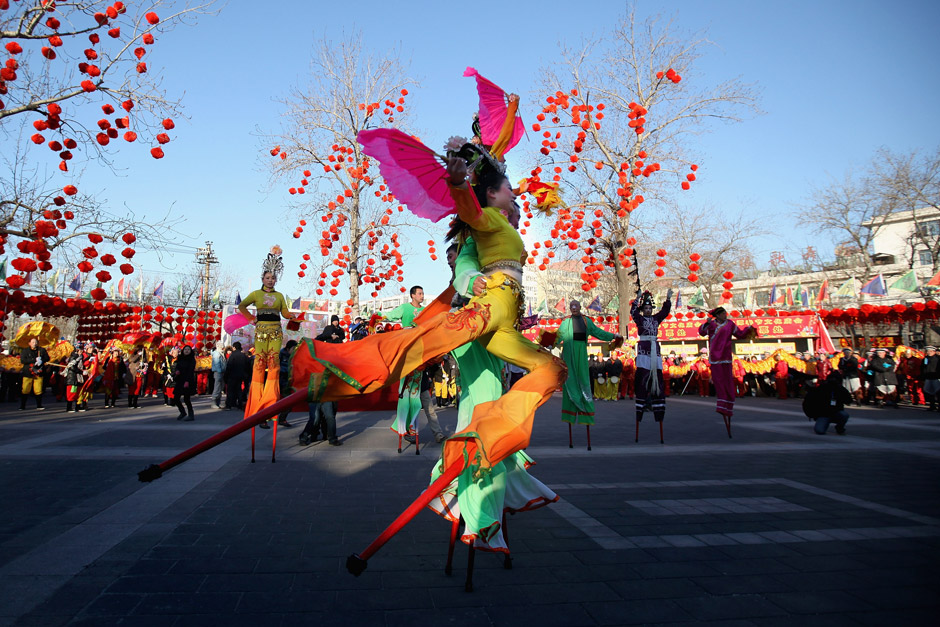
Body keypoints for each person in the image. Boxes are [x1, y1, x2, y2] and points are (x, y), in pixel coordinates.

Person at [236, 245, 301, 417]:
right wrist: (251, 318)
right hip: (261, 330)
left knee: (274, 363)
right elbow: (241, 305)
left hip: (276, 332)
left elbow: (284, 312)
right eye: (267, 277)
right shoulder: (256, 294)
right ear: (262, 279)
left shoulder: (279, 296)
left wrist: (292, 316)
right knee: (259, 363)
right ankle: (256, 401)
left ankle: (270, 400)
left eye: (273, 278)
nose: (270, 280)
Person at [554, 299, 622, 428]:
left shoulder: (586, 321)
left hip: (581, 353)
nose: (574, 308)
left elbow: (598, 332)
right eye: (571, 306)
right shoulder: (566, 322)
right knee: (570, 380)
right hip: (569, 354)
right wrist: (544, 341)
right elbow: (557, 336)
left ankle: (586, 412)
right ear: (569, 308)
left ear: (580, 307)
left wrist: (613, 335)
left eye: (576, 306)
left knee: (584, 381)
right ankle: (570, 413)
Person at [698, 307, 756, 419]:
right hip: (715, 357)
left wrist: (748, 329)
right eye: (723, 313)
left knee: (728, 380)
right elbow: (702, 332)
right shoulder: (712, 324)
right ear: (718, 315)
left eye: (725, 313)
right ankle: (721, 405)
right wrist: (706, 323)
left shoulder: (730, 324)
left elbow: (740, 334)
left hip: (726, 356)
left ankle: (729, 406)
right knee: (718, 381)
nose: (725, 315)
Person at [631, 289, 672, 425]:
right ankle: (642, 402)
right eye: (646, 308)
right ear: (643, 309)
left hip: (654, 347)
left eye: (650, 308)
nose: (648, 310)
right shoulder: (640, 319)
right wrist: (637, 298)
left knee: (657, 376)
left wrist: (668, 299)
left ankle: (657, 405)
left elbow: (664, 312)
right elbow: (633, 312)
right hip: (644, 348)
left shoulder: (656, 319)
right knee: (643, 375)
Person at [19, 337, 49, 410]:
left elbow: (47, 358)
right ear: (29, 343)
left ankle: (39, 405)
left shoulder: (41, 350)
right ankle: (23, 405)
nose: (34, 344)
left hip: (39, 372)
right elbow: (23, 360)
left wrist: (41, 360)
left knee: (38, 389)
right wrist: (33, 360)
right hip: (28, 372)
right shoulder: (25, 351)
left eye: (35, 342)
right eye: (33, 342)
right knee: (25, 389)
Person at [274, 339, 298, 428]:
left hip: (288, 383)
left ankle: (282, 419)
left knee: (289, 402)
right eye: (293, 348)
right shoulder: (281, 355)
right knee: (273, 401)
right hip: (279, 381)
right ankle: (264, 419)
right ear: (288, 348)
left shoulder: (294, 356)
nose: (295, 350)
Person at [173, 344, 197, 421]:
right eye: (185, 349)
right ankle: (182, 412)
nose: (186, 351)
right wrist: (177, 371)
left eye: (188, 350)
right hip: (180, 379)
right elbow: (177, 366)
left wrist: (187, 381)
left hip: (188, 380)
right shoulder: (180, 358)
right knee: (176, 398)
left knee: (187, 399)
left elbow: (190, 371)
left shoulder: (192, 359)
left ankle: (191, 414)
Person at [224, 342, 250, 410]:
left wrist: (226, 375)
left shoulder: (232, 355)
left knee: (230, 390)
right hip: (241, 375)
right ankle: (240, 404)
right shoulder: (243, 356)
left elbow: (229, 366)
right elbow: (247, 366)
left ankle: (229, 405)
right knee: (239, 390)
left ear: (234, 347)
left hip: (232, 375)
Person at [922, 346, 940, 411]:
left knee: (938, 392)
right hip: (928, 377)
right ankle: (932, 406)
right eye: (927, 351)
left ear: (933, 351)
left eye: (930, 351)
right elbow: (923, 368)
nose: (928, 352)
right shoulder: (926, 359)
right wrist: (923, 377)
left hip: (936, 377)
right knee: (929, 392)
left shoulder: (938, 358)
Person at [210, 340, 226, 409]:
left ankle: (218, 402)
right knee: (217, 387)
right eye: (221, 345)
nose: (222, 346)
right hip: (218, 372)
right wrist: (219, 371)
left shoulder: (221, 353)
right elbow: (217, 363)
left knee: (220, 387)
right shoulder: (217, 354)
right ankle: (214, 402)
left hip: (222, 372)